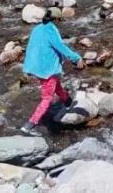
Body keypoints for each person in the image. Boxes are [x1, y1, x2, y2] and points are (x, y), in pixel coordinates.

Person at [20, 8, 85, 137]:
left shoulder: (37, 29)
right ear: (56, 19)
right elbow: (60, 46)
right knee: (47, 98)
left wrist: (29, 66)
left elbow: (31, 47)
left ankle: (67, 102)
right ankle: (30, 124)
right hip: (47, 68)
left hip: (36, 66)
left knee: (55, 84)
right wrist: (76, 58)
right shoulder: (51, 30)